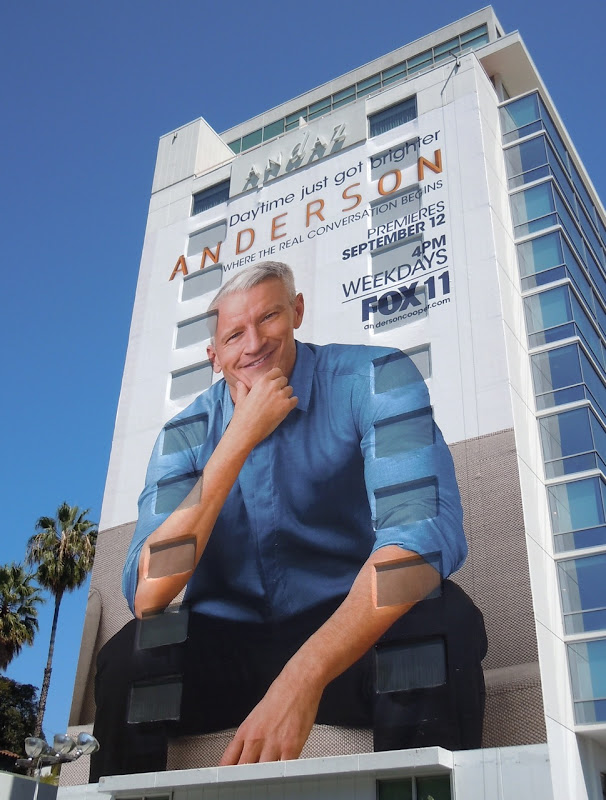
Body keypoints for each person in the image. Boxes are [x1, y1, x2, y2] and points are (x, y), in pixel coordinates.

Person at [91, 261, 486, 778]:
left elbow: (416, 546)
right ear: (215, 357)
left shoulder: (376, 378)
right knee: (129, 661)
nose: (253, 344)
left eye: (269, 317)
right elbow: (150, 594)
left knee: (440, 623)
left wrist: (304, 674)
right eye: (233, 335)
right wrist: (237, 440)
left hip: (349, 638)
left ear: (297, 312)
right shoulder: (182, 435)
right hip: (223, 651)